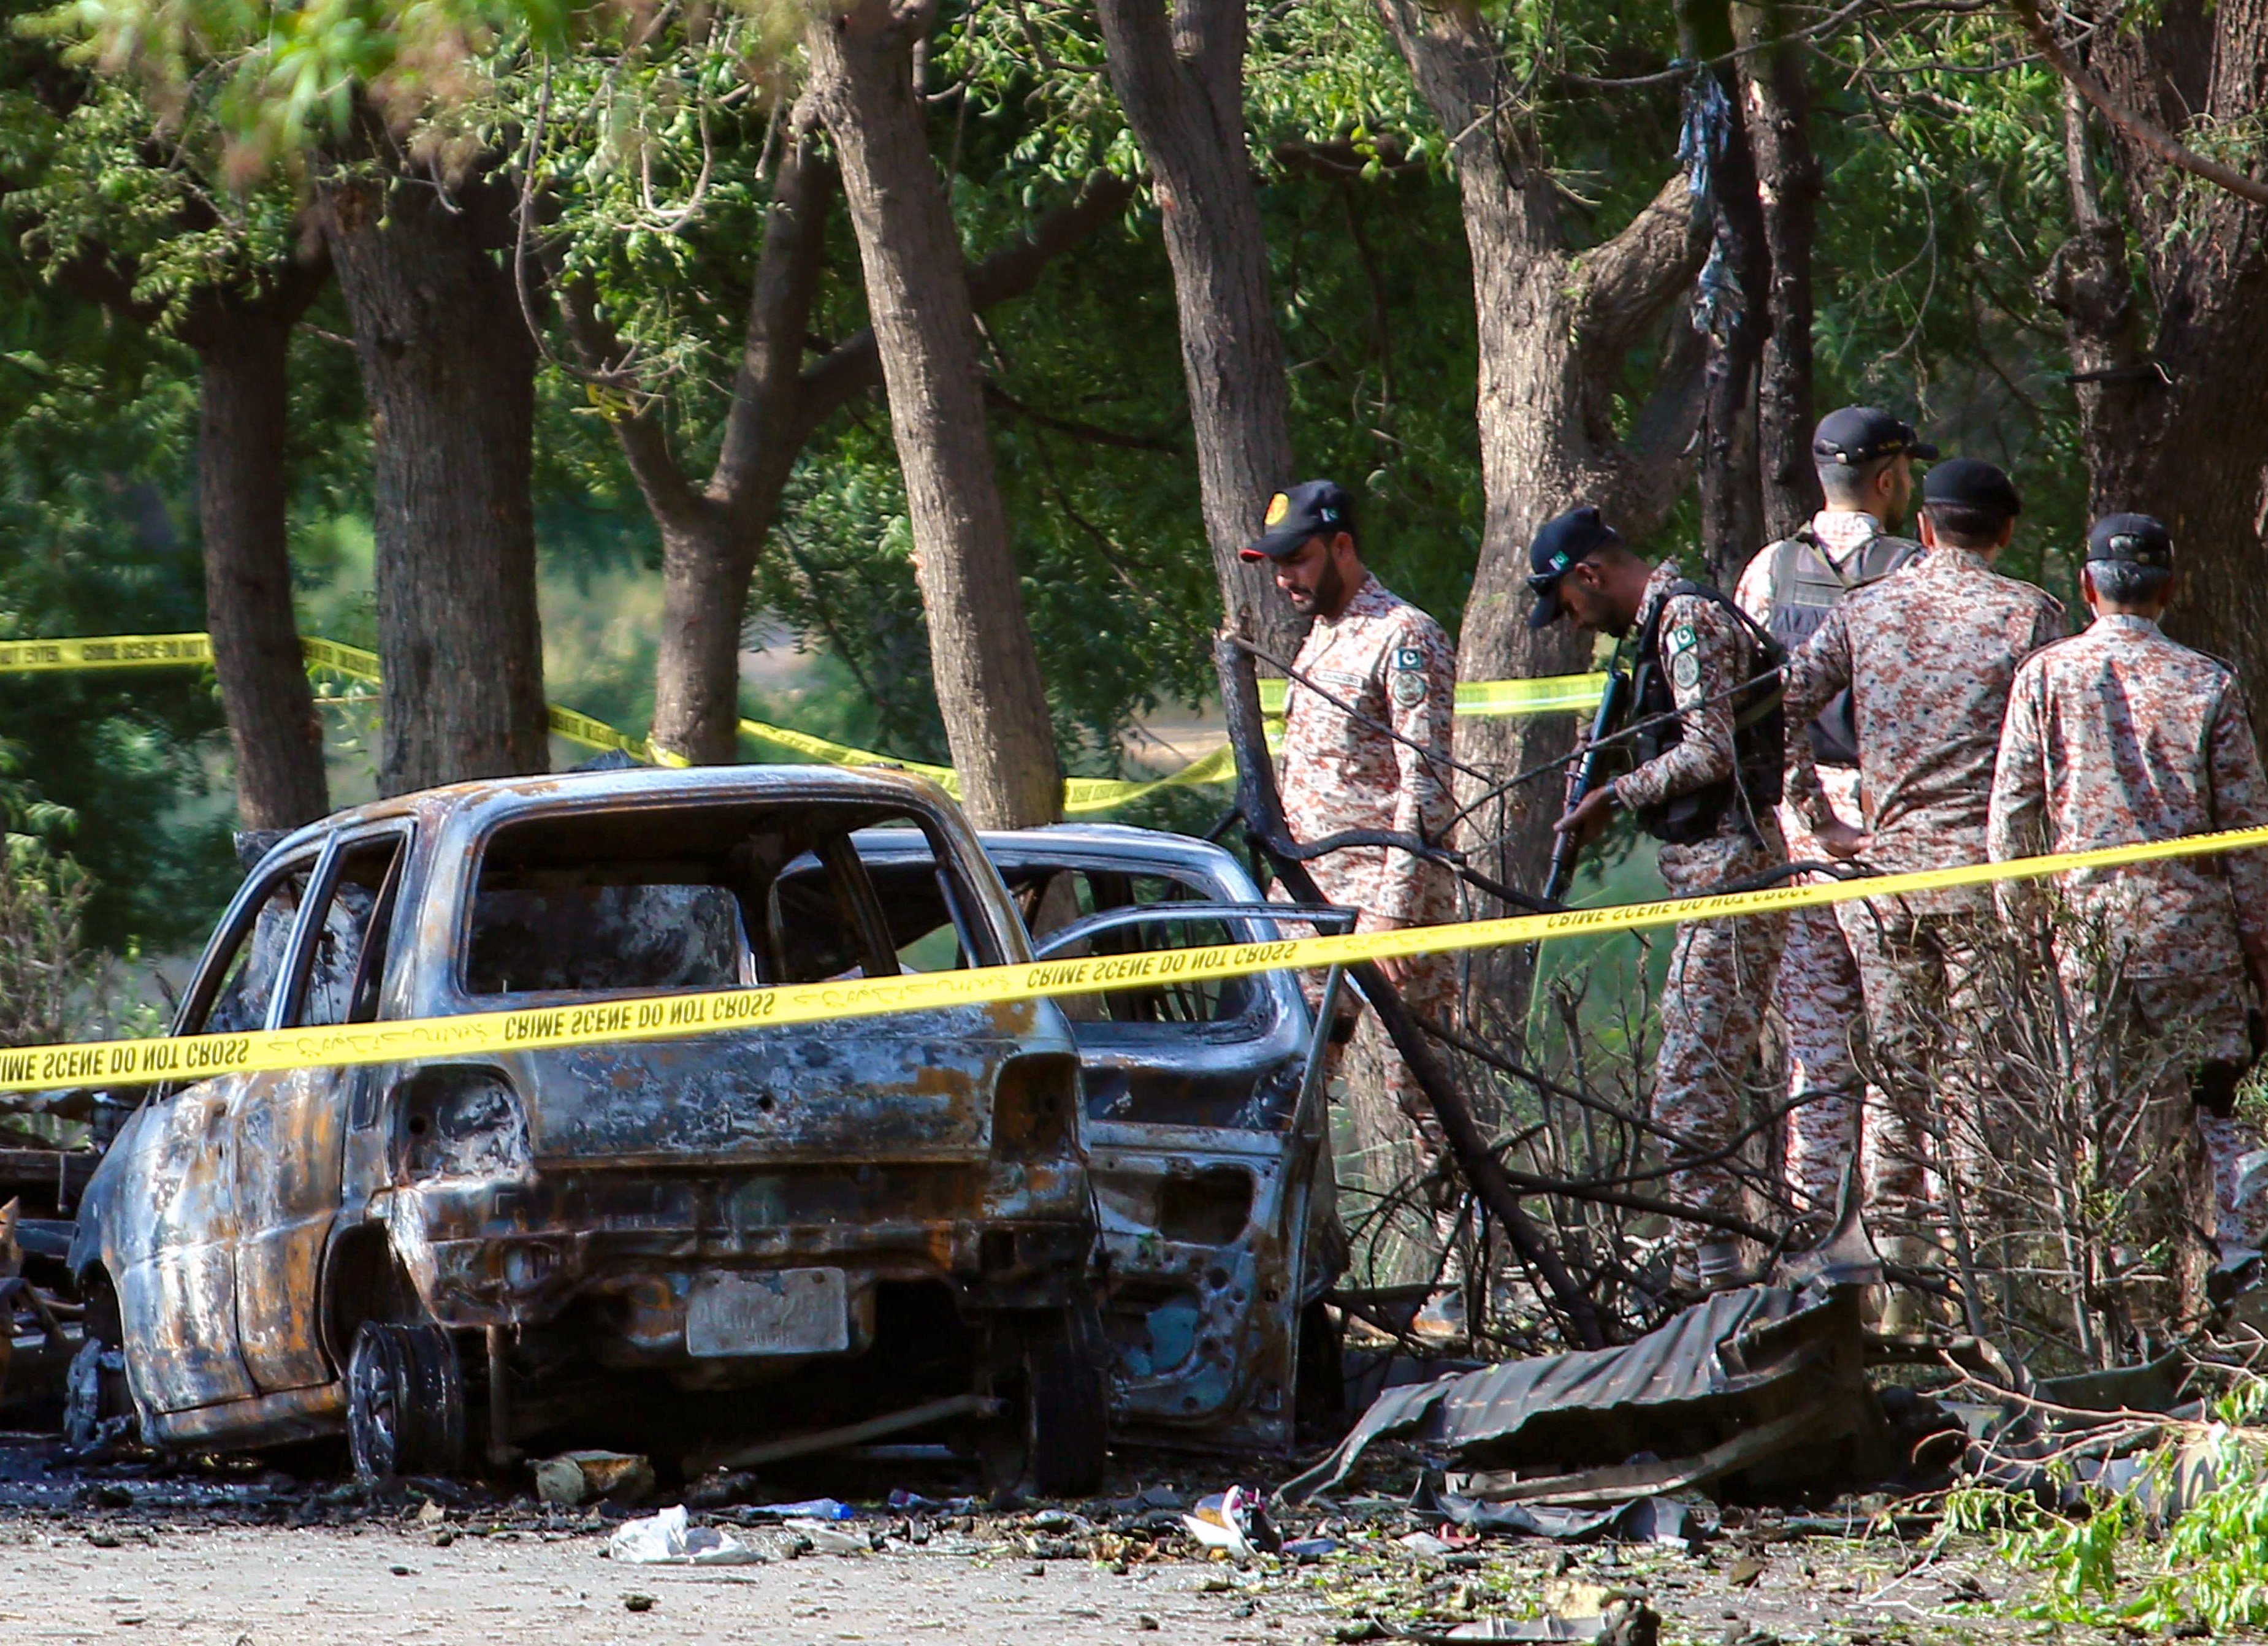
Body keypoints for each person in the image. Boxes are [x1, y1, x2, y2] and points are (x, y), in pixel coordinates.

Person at [1779, 457, 2064, 1301]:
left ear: (1926, 530)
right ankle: (1984, 1293)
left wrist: (1814, 814)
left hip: (1886, 884)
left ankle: (1896, 1290)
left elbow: (1783, 702)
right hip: (1986, 887)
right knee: (1980, 1085)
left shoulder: (1864, 612)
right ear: (2005, 532)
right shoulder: (2030, 615)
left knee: (1896, 1084)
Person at [1988, 513, 2268, 1328]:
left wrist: (2024, 933)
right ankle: (2242, 1265)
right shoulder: (2205, 682)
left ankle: (2115, 1293)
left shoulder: (2043, 677)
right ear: (2167, 589)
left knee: (2100, 1122)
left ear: (2085, 588)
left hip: (2087, 939)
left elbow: (2010, 821)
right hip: (2194, 938)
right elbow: (2246, 838)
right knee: (2222, 1112)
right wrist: (2260, 956)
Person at [1532, 505, 1789, 1294]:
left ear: (1591, 574)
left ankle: (1711, 1276)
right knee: (1702, 1077)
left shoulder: (1687, 622)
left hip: (1732, 870)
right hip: (1704, 873)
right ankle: (1706, 1264)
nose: (1573, 622)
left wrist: (1616, 791)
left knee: (1688, 1086)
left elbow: (1711, 749)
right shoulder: (1655, 637)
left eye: (1568, 604)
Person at [1242, 480, 1460, 1303]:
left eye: (1296, 559)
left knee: (1423, 1091)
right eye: (1272, 565)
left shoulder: (1403, 636)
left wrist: (1393, 912)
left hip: (1390, 902)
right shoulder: (1316, 639)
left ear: (1339, 545)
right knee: (1293, 1087)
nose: (1284, 579)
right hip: (1307, 907)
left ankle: (1458, 1284)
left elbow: (1424, 787)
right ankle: (1297, 1280)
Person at [1733, 408, 1932, 1230]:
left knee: (1815, 1049)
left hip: (1792, 819)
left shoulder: (1767, 571)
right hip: (1885, 815)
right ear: (1886, 482)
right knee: (1902, 1042)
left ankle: (1812, 1242)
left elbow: (1752, 703)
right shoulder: (1918, 571)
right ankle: (1901, 1247)